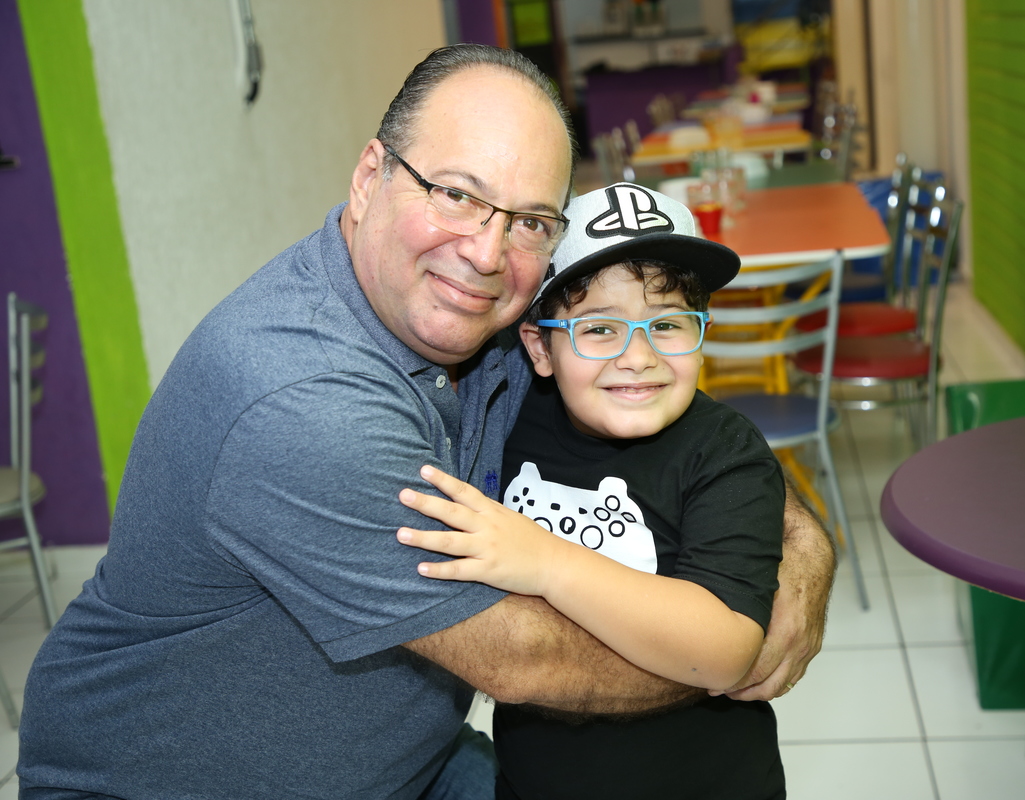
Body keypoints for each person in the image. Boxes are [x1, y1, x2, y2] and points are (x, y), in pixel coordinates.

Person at [17, 44, 834, 800]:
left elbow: (680, 431)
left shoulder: (495, 328)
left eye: (529, 222)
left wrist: (804, 548)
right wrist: (728, 649)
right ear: (370, 177)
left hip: (407, 763)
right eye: (457, 194)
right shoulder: (303, 404)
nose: (485, 253)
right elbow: (525, 659)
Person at [398, 182, 789, 799]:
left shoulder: (726, 454)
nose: (638, 356)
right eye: (600, 329)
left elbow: (726, 651)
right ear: (540, 347)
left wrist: (547, 562)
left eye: (668, 323)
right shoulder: (510, 419)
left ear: (702, 332)